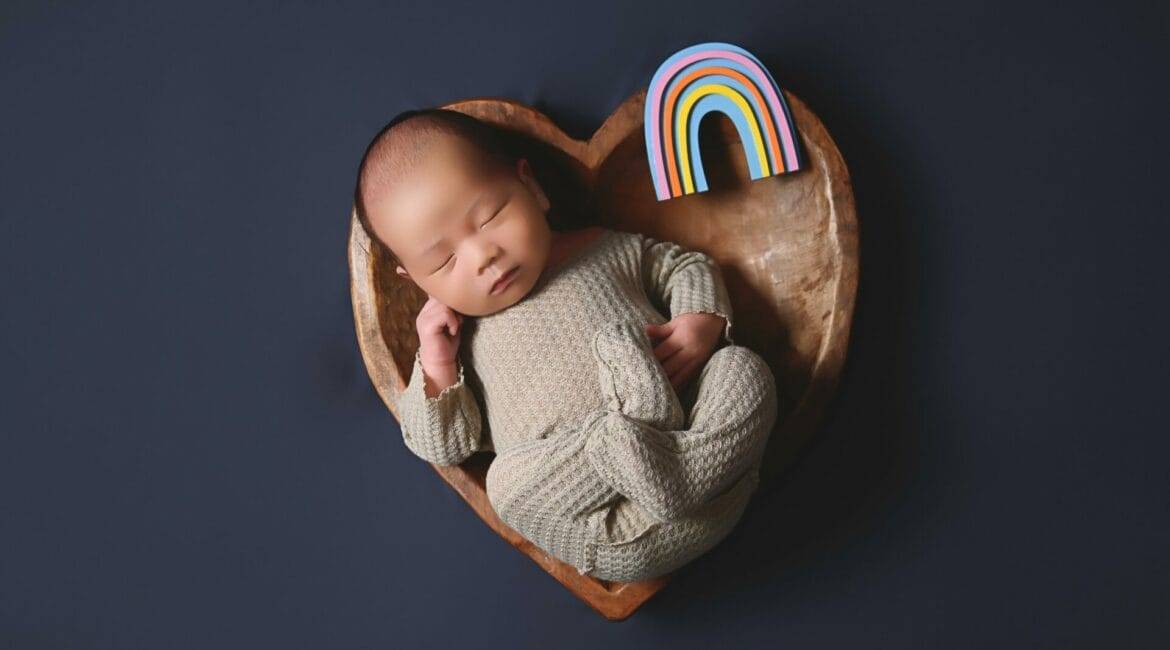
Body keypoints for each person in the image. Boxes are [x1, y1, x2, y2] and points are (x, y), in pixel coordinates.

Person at [352, 107, 780, 582]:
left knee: (742, 370)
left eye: (491, 216)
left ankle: (680, 475)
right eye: (444, 261)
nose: (482, 256)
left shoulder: (603, 247)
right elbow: (446, 446)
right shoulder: (457, 338)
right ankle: (638, 456)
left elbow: (685, 266)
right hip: (622, 530)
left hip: (700, 463)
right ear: (415, 281)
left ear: (530, 186)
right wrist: (435, 363)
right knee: (506, 487)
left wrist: (699, 323)